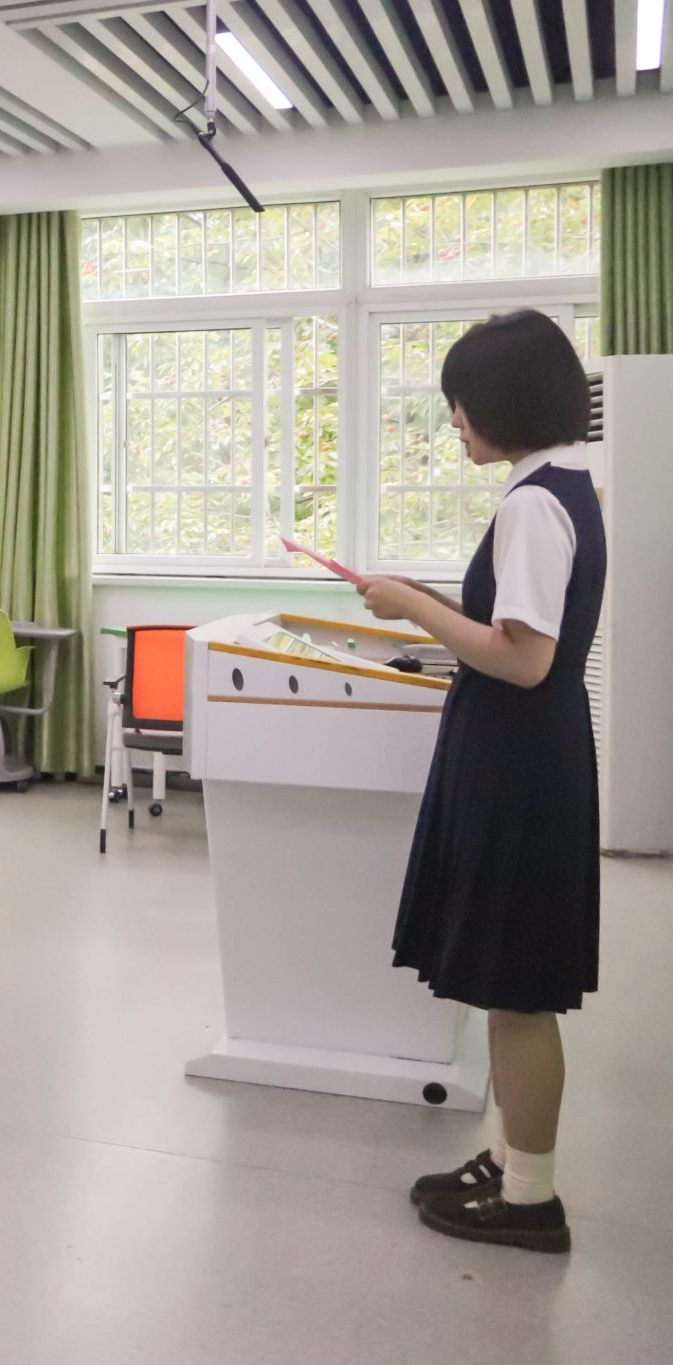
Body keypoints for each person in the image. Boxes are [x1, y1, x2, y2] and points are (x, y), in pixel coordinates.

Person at [361, 311, 604, 1255]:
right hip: (525, 751)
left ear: (503, 402)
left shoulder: (534, 504)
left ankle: (530, 1197)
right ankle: (509, 1162)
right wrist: (424, 600)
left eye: (460, 404)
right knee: (509, 983)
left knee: (519, 988)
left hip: (521, 759)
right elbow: (515, 630)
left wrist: (414, 608)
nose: (455, 421)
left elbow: (523, 658)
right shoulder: (555, 483)